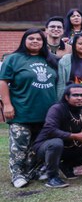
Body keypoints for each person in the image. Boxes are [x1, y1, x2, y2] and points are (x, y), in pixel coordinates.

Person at [0, 29, 59, 188]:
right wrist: (6, 104)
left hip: (46, 113)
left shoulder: (51, 60)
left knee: (38, 146)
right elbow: (3, 81)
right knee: (19, 146)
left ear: (43, 42)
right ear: (24, 40)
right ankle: (17, 174)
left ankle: (34, 171)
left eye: (39, 39)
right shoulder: (13, 59)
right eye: (31, 38)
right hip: (22, 111)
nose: (35, 41)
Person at [33, 84, 82, 187]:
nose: (80, 98)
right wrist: (75, 136)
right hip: (47, 147)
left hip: (70, 147)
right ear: (66, 97)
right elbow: (50, 130)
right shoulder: (57, 109)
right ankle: (52, 178)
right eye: (75, 95)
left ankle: (66, 166)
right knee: (56, 143)